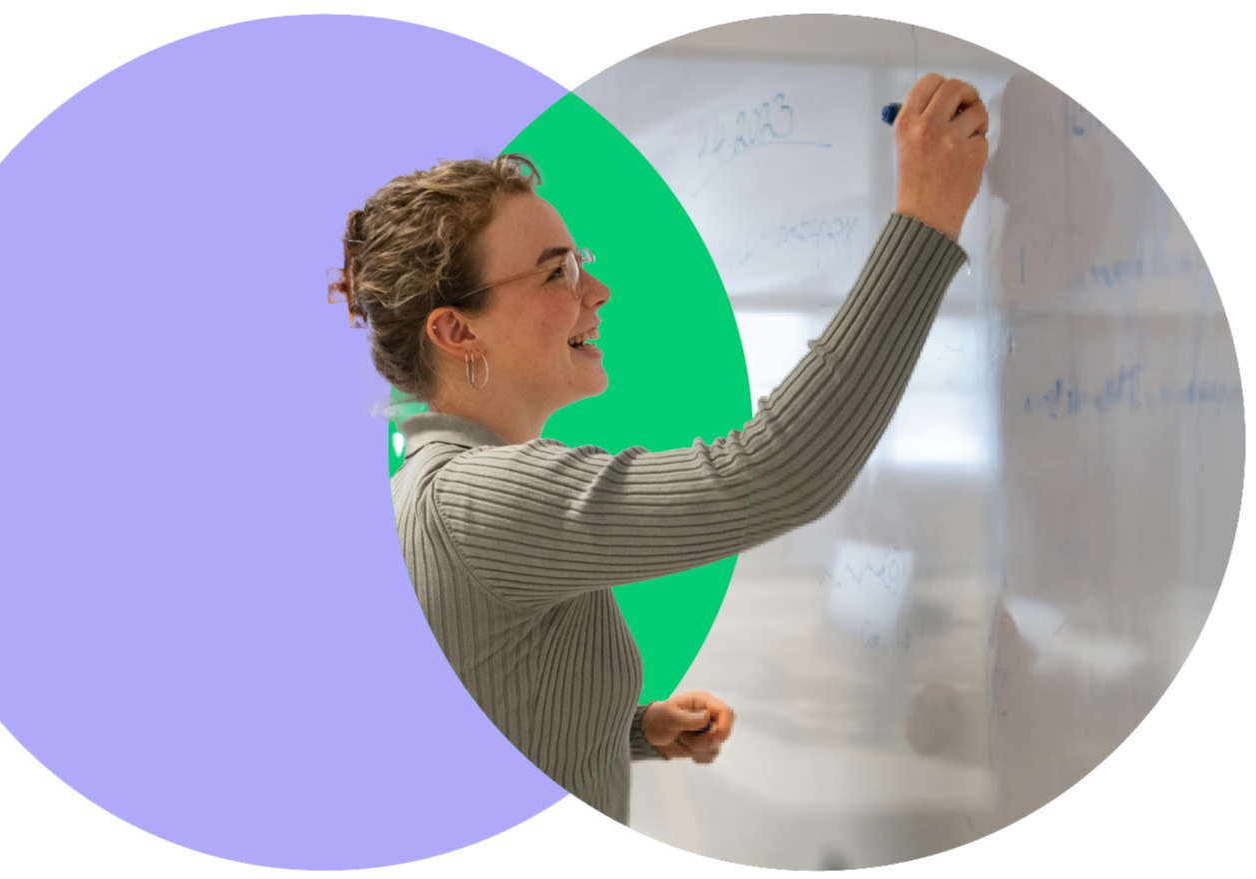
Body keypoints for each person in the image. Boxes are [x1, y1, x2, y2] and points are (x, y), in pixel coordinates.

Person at [335, 73, 990, 825]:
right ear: (457, 331)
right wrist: (926, 218)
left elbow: (480, 709)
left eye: (578, 260)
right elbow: (777, 472)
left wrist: (632, 729)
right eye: (556, 272)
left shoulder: (422, 491)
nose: (597, 290)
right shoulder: (477, 502)